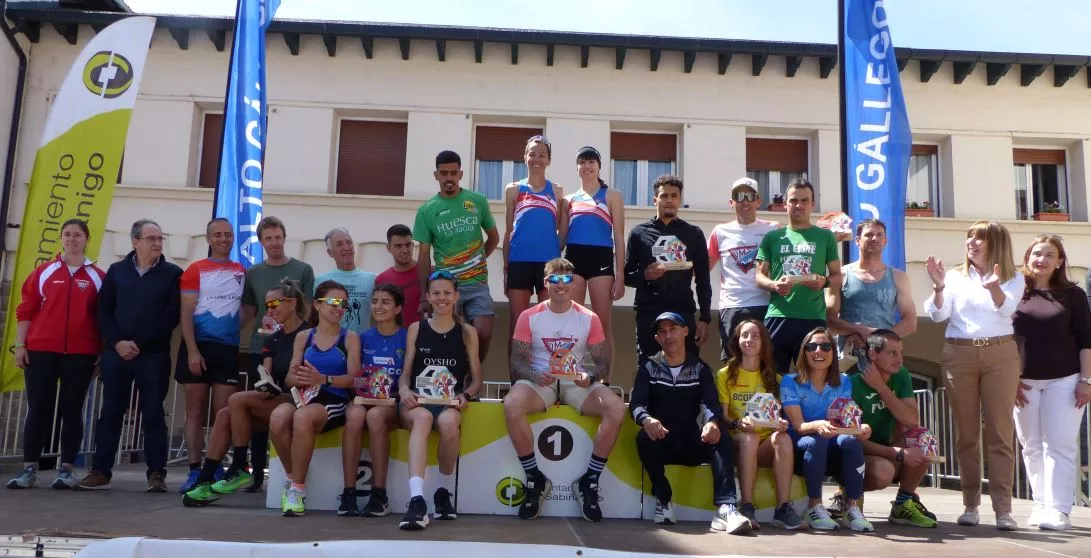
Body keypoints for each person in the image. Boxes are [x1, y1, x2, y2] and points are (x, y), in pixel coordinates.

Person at [504, 257, 627, 523]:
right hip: (541, 381)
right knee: (511, 404)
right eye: (555, 280)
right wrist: (534, 375)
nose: (561, 285)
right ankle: (535, 479)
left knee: (616, 407)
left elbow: (603, 361)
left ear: (573, 283)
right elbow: (516, 360)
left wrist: (590, 376)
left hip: (575, 383)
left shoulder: (588, 318)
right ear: (545, 283)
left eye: (567, 279)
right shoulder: (529, 316)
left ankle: (589, 480)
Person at [925, 220, 1023, 531]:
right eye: (969, 237)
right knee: (966, 434)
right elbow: (939, 314)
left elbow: (1006, 310)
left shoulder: (1013, 277)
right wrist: (939, 286)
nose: (971, 243)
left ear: (995, 244)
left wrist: (994, 286)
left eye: (979, 238)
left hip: (1000, 354)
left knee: (999, 432)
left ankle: (1003, 509)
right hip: (959, 352)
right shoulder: (955, 276)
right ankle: (970, 504)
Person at [181, 280, 307, 507]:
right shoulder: (273, 339)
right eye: (267, 305)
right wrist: (264, 385)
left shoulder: (307, 334)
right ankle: (206, 479)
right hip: (278, 400)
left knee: (237, 399)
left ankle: (239, 466)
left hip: (301, 402)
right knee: (224, 414)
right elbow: (266, 375)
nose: (270, 310)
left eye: (275, 303)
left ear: (292, 303)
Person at [78, 219, 182, 492]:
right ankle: (101, 470)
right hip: (116, 354)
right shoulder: (116, 271)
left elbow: (170, 316)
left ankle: (157, 473)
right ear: (135, 241)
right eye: (152, 239)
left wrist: (137, 342)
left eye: (160, 238)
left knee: (153, 414)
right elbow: (103, 312)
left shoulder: (172, 273)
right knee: (111, 411)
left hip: (153, 355)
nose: (158, 243)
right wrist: (117, 342)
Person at [6, 219, 105, 490]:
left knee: (72, 410)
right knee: (38, 409)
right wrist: (21, 345)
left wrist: (101, 354)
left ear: (87, 239)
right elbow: (25, 310)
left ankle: (67, 470)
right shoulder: (44, 272)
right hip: (41, 350)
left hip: (81, 353)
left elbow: (103, 318)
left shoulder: (98, 276)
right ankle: (29, 471)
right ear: (61, 239)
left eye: (78, 235)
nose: (72, 239)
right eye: (68, 234)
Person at [630, 312, 750, 535]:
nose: (668, 335)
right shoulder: (648, 367)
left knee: (721, 434)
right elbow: (636, 404)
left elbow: (711, 405)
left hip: (692, 442)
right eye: (662, 331)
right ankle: (664, 501)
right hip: (662, 440)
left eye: (673, 329)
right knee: (643, 438)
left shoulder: (701, 369)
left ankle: (726, 508)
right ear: (657, 338)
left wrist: (712, 422)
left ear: (685, 331)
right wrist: (647, 420)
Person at [1013, 235, 1091, 531]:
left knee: (1059, 445)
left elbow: (1086, 339)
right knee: (1030, 446)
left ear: (1059, 262)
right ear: (1028, 257)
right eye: (1036, 253)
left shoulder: (1073, 295)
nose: (1041, 259)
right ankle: (1041, 504)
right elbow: (1003, 336)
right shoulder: (1015, 291)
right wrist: (1009, 379)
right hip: (1022, 383)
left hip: (1066, 379)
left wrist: (1086, 380)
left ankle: (1059, 510)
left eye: (1049, 255)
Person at [397, 270, 483, 531]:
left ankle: (443, 493)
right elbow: (405, 374)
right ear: (428, 297)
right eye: (436, 293)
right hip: (417, 403)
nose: (442, 298)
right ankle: (416, 500)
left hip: (448, 404)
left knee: (448, 424)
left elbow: (477, 380)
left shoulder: (467, 332)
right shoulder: (416, 329)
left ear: (456, 296)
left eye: (447, 293)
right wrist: (404, 390)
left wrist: (465, 395)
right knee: (422, 418)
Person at [269, 280, 361, 517]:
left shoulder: (350, 338)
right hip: (304, 396)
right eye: (333, 302)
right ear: (317, 305)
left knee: (302, 417)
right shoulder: (304, 337)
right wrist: (299, 378)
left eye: (343, 304)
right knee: (278, 417)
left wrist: (323, 379)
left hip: (333, 399)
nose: (339, 308)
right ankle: (292, 477)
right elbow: (289, 377)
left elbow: (355, 379)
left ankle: (297, 491)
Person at [240, 216, 315, 493]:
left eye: (277, 237)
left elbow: (308, 309)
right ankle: (256, 473)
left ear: (284, 238)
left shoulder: (302, 269)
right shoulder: (253, 273)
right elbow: (248, 311)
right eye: (268, 238)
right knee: (260, 410)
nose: (273, 243)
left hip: (295, 349)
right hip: (261, 349)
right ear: (261, 242)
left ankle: (292, 475)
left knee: (290, 407)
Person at [176, 218, 246, 494]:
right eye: (217, 235)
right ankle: (194, 469)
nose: (223, 239)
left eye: (228, 234)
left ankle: (214, 466)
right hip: (197, 346)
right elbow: (185, 314)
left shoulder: (241, 270)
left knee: (224, 413)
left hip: (226, 349)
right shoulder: (196, 270)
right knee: (194, 411)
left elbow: (247, 309)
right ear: (208, 239)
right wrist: (192, 350)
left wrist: (230, 330)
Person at [780, 327, 873, 532]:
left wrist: (859, 428)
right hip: (802, 445)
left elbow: (844, 421)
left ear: (833, 352)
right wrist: (817, 425)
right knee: (816, 440)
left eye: (826, 346)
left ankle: (852, 508)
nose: (818, 351)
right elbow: (799, 426)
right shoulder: (790, 381)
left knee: (851, 440)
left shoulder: (844, 381)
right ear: (804, 352)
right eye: (812, 346)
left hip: (832, 442)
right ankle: (814, 507)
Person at [715, 319, 802, 530]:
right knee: (749, 437)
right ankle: (746, 506)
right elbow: (723, 417)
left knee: (783, 438)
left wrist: (780, 424)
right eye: (745, 335)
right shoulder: (724, 374)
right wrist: (738, 422)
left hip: (764, 442)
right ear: (737, 341)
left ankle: (782, 508)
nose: (749, 340)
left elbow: (777, 416)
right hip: (739, 439)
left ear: (763, 342)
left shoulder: (777, 378)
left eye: (755, 336)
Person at [414, 150, 499, 361]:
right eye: (444, 173)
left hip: (478, 284)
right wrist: (425, 294)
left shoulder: (477, 200)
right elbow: (424, 257)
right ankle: (455, 380)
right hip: (446, 288)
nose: (449, 178)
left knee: (484, 332)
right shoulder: (427, 210)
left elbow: (494, 238)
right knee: (451, 338)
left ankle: (474, 373)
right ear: (436, 176)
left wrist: (477, 261)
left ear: (460, 174)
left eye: (453, 173)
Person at [849, 329, 937, 528]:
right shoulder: (852, 384)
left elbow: (912, 420)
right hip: (858, 455)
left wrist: (881, 387)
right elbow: (852, 441)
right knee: (883, 472)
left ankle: (903, 504)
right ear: (872, 354)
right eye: (892, 353)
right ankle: (850, 494)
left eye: (901, 353)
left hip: (888, 449)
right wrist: (898, 453)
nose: (899, 359)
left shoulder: (901, 375)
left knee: (924, 439)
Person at [755, 179, 841, 374]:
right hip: (779, 316)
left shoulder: (825, 237)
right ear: (785, 203)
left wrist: (824, 281)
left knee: (814, 379)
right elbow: (759, 277)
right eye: (794, 200)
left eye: (804, 200)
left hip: (812, 318)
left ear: (813, 204)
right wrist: (774, 285)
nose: (799, 205)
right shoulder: (772, 237)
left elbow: (838, 276)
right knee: (772, 379)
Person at [623, 176, 712, 364]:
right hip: (649, 313)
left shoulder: (694, 234)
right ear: (655, 200)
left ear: (680, 200)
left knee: (687, 371)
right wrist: (645, 275)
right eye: (664, 196)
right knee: (648, 370)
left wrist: (705, 318)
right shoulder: (639, 233)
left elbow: (703, 279)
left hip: (683, 312)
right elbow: (626, 276)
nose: (669, 200)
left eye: (674, 195)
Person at [338, 284, 408, 517]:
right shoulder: (362, 338)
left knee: (376, 416)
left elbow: (410, 378)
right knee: (357, 415)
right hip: (363, 399)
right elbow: (355, 377)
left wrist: (391, 394)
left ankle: (379, 494)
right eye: (375, 301)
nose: (378, 306)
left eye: (385, 302)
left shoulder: (407, 337)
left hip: (392, 403)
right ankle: (348, 493)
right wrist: (366, 386)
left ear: (398, 308)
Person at [560, 146, 625, 382]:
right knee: (572, 321)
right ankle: (568, 376)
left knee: (601, 322)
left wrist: (620, 275)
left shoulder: (611, 195)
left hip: (601, 260)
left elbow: (618, 236)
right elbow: (562, 236)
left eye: (591, 162)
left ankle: (603, 379)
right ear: (577, 167)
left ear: (598, 166)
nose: (587, 166)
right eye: (582, 162)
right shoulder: (568, 200)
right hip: (573, 260)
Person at [504, 135, 563, 372]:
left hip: (547, 266)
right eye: (532, 153)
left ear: (548, 160)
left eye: (542, 155)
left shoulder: (557, 191)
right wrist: (506, 269)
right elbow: (509, 231)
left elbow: (558, 229)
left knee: (548, 324)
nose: (536, 159)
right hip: (519, 262)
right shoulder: (513, 189)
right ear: (525, 157)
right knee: (518, 324)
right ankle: (517, 379)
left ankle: (547, 376)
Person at [826, 219, 916, 373]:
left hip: (885, 355)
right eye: (868, 235)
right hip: (850, 354)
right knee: (848, 397)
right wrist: (860, 330)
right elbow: (829, 320)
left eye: (879, 235)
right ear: (857, 241)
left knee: (887, 397)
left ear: (885, 240)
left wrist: (878, 339)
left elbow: (910, 323)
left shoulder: (898, 277)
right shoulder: (840, 275)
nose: (874, 238)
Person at [707, 177, 780, 362]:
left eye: (750, 195)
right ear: (731, 202)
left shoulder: (774, 229)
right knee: (732, 363)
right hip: (732, 305)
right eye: (739, 196)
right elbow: (702, 268)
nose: (745, 201)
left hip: (766, 304)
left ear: (758, 201)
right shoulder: (720, 231)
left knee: (766, 363)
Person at [315, 227, 376, 333]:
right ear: (330, 253)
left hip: (363, 345)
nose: (346, 247)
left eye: (349, 242)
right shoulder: (320, 281)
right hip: (331, 345)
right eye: (339, 244)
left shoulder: (372, 279)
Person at [376, 224, 420, 325]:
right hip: (395, 339)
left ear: (413, 245)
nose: (405, 250)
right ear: (389, 248)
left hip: (426, 338)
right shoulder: (381, 280)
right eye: (398, 246)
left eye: (408, 245)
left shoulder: (430, 272)